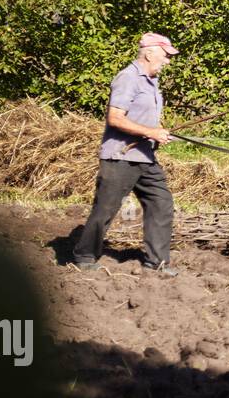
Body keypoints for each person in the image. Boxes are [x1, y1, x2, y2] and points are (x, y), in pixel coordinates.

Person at [71, 33, 180, 276]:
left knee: (161, 203)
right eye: (165, 55)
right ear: (150, 53)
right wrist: (150, 131)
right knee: (106, 208)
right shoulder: (128, 78)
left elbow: (141, 119)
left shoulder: (151, 82)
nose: (167, 61)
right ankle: (85, 255)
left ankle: (157, 262)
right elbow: (115, 118)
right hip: (120, 157)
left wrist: (157, 134)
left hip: (144, 157)